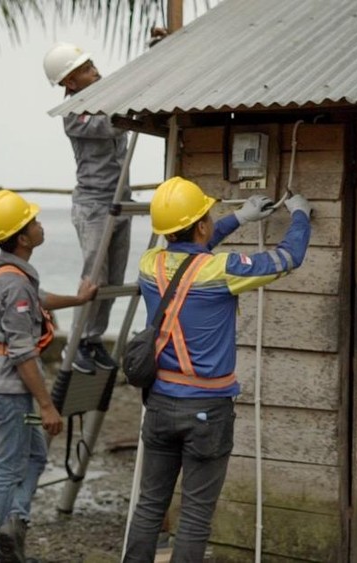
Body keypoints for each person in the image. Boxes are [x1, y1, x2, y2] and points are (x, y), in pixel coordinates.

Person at [124, 177, 312, 562]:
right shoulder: (220, 271)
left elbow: (190, 254)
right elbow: (286, 258)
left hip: (158, 404)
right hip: (208, 412)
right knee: (194, 516)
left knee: (148, 507)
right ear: (201, 225)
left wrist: (239, 219)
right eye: (209, 217)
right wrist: (300, 216)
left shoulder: (148, 266)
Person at [0, 190, 97, 562]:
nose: (40, 223)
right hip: (7, 385)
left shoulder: (8, 268)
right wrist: (47, 405)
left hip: (7, 382)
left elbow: (37, 297)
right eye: (33, 221)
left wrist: (77, 301)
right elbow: (22, 351)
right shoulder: (12, 281)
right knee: (11, 464)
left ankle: (14, 528)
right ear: (23, 237)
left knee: (35, 455)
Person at [43, 41, 129, 375]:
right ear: (70, 83)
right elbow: (114, 124)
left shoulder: (105, 98)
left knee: (113, 280)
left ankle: (93, 341)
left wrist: (157, 48)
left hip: (120, 200)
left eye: (91, 63)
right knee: (95, 278)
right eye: (85, 68)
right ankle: (77, 342)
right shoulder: (72, 116)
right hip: (93, 205)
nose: (94, 69)